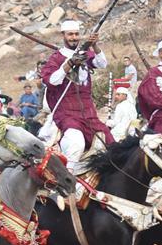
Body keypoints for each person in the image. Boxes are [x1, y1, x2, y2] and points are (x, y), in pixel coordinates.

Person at [39, 20, 112, 171]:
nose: (74, 37)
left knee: (111, 145)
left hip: (89, 113)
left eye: (76, 34)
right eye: (70, 34)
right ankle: (67, 182)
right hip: (67, 114)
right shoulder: (56, 58)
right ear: (63, 36)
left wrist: (95, 45)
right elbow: (51, 80)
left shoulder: (85, 54)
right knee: (75, 144)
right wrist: (69, 64)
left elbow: (102, 63)